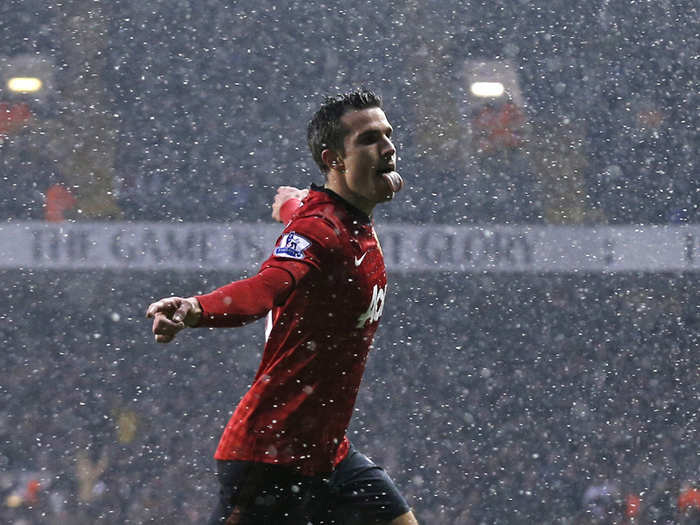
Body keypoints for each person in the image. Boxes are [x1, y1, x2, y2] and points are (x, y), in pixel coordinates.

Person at [146, 89, 417, 524]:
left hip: (328, 454)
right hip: (270, 457)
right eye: (369, 139)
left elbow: (305, 213)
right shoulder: (320, 230)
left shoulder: (336, 218)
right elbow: (265, 287)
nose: (388, 147)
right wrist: (195, 308)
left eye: (388, 134)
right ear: (335, 160)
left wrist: (290, 204)